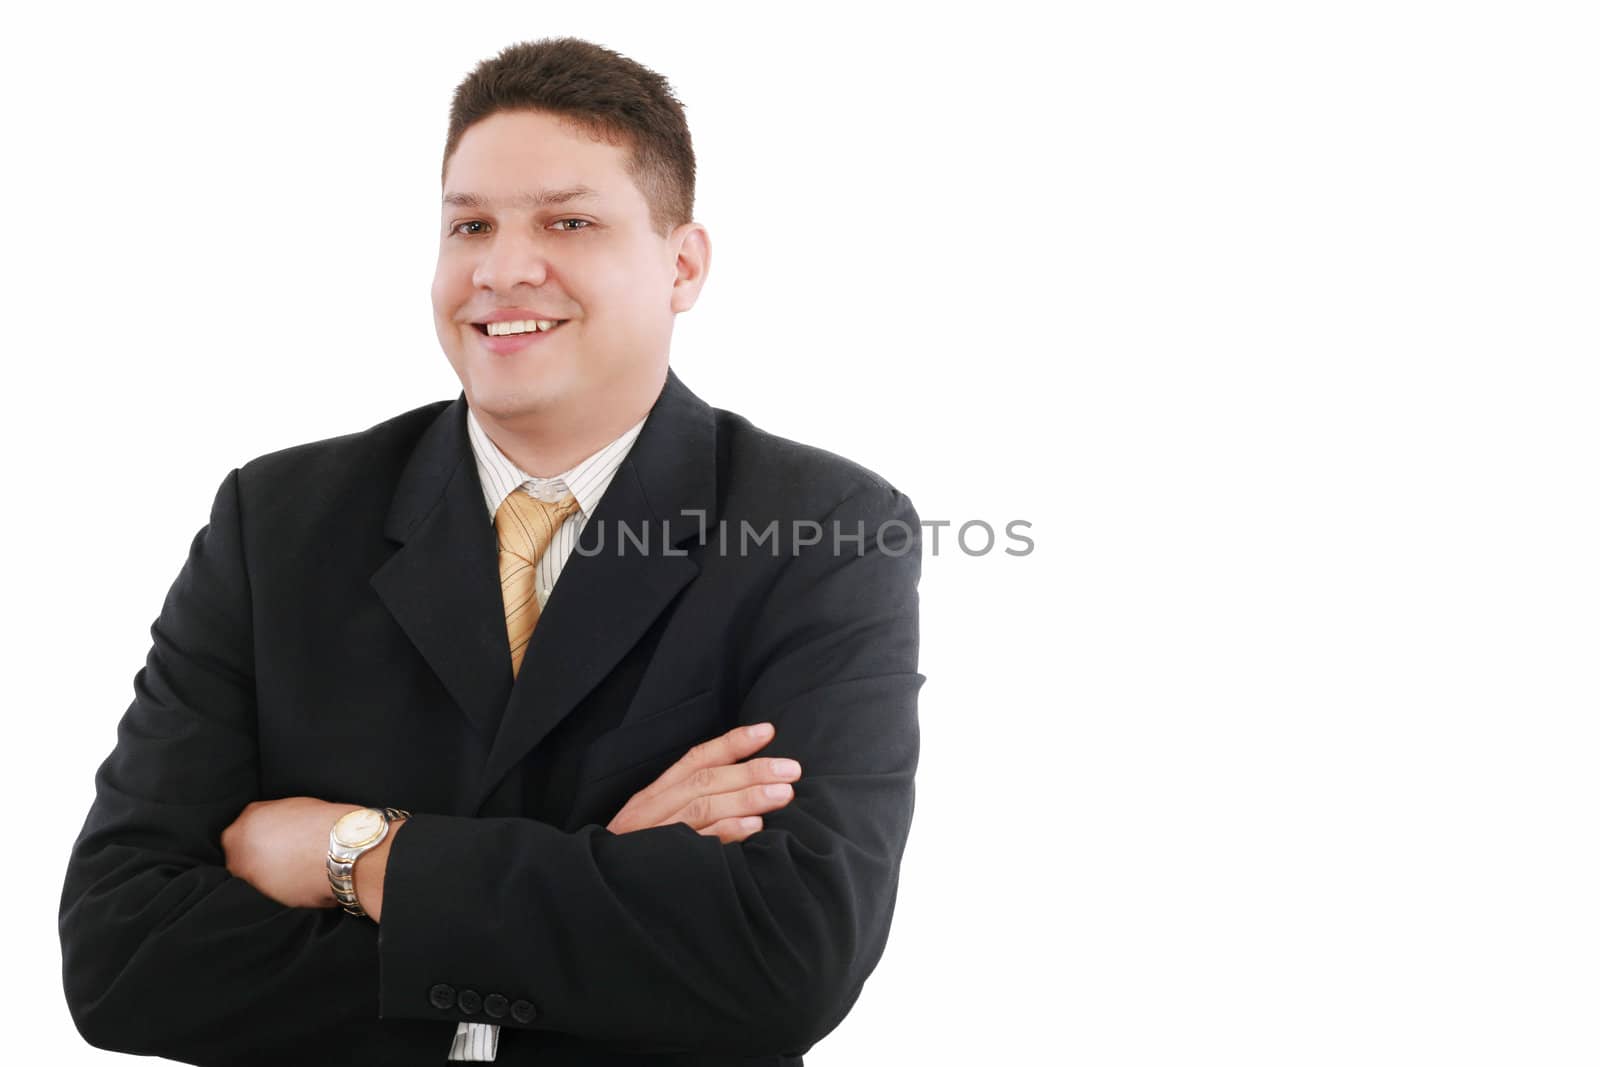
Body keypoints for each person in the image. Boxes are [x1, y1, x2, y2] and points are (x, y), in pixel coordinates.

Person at [57, 35, 923, 1067]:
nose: (502, 268)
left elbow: (787, 957)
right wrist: (606, 879)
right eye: (470, 223)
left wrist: (358, 854)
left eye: (569, 221)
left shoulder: (822, 526)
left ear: (682, 263)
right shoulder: (277, 519)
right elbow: (123, 954)